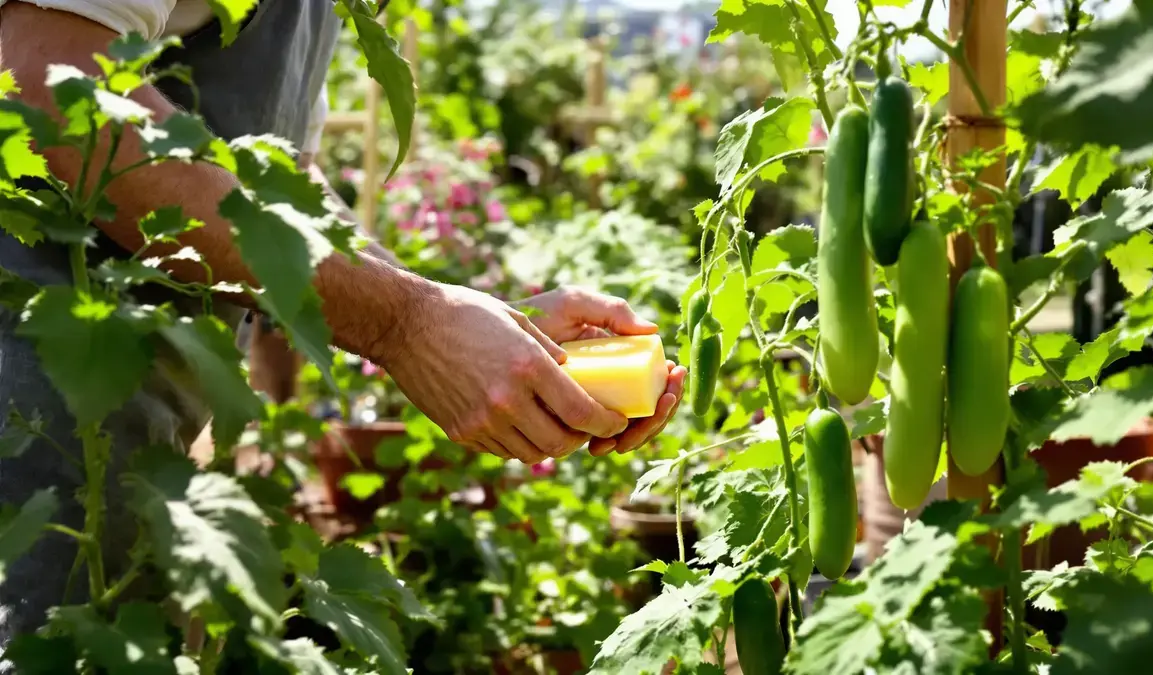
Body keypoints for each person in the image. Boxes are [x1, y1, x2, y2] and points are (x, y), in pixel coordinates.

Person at [0, 0, 687, 647]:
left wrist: (450, 312)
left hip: (132, 439)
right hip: (31, 414)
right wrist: (406, 322)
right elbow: (45, 77)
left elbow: (278, 178)